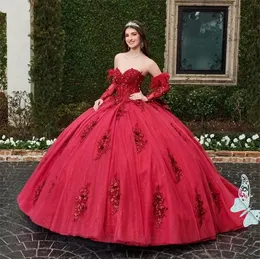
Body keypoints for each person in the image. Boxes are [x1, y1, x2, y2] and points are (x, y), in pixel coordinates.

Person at [17, 20, 244, 246]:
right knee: (92, 157)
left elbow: (164, 85)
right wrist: (102, 97)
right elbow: (115, 84)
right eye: (127, 35)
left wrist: (147, 97)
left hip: (138, 111)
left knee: (146, 160)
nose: (130, 38)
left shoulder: (148, 62)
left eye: (133, 34)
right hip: (112, 107)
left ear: (141, 37)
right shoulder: (119, 57)